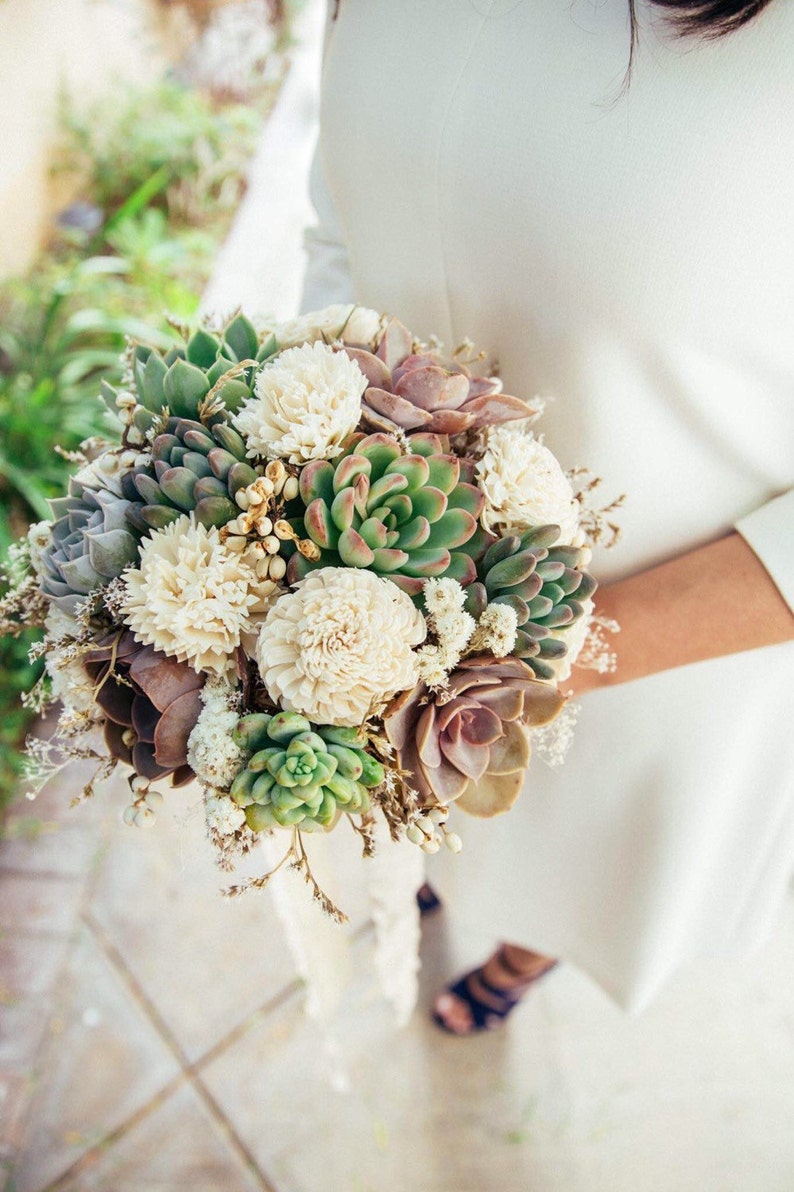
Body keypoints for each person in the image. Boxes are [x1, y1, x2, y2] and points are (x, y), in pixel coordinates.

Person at [300, 0, 794, 1034]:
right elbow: (340, 217)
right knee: (445, 829)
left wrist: (541, 661)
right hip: (394, 606)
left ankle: (525, 954)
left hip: (668, 661)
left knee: (578, 869)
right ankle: (444, 871)